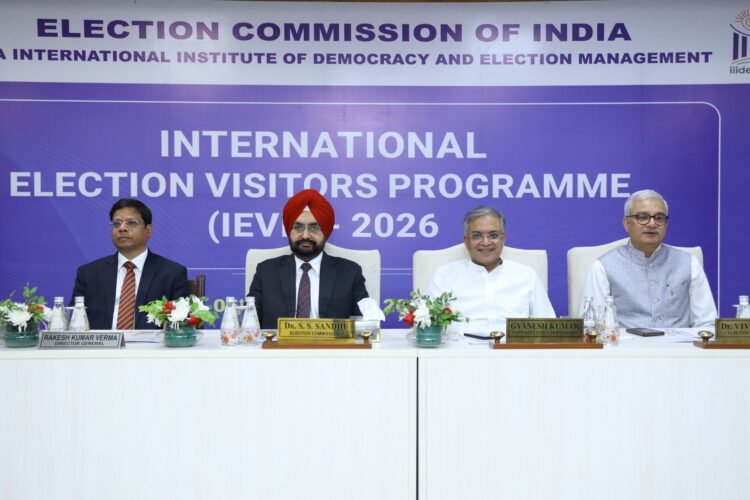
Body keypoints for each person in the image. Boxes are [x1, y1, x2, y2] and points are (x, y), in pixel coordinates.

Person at [580, 189, 716, 328]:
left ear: (666, 224)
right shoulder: (603, 266)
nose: (652, 224)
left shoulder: (689, 263)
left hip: (680, 342)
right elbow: (591, 326)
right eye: (642, 217)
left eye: (659, 218)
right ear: (626, 223)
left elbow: (707, 323)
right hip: (625, 342)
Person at [249, 189, 369, 329]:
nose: (305, 235)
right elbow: (249, 323)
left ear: (326, 232)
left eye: (314, 228)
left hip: (333, 343)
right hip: (278, 343)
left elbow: (364, 324)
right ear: (289, 231)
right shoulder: (266, 272)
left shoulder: (350, 273)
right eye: (298, 227)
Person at [427, 206, 555, 333]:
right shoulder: (444, 275)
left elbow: (548, 328)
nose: (486, 242)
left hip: (511, 345)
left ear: (503, 239)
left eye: (493, 235)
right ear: (466, 241)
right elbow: (426, 325)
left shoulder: (527, 276)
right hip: (459, 345)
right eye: (477, 235)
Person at [70, 198, 188, 329]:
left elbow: (182, 325)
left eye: (132, 223)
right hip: (101, 342)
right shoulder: (89, 273)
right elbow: (74, 323)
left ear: (148, 230)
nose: (122, 228)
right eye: (116, 223)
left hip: (152, 342)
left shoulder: (171, 273)